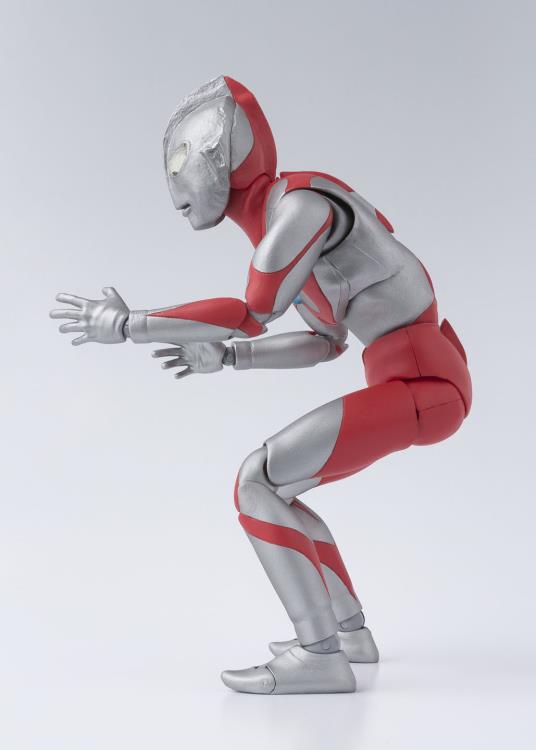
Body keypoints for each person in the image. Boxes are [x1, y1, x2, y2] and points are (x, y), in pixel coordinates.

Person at [50, 75, 471, 694]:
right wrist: (228, 358)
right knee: (280, 488)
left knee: (258, 481)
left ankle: (319, 655)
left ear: (221, 159)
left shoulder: (300, 209)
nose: (175, 187)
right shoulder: (290, 223)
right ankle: (349, 635)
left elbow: (253, 311)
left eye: (181, 162)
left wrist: (130, 323)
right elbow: (324, 343)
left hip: (425, 384)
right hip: (416, 384)